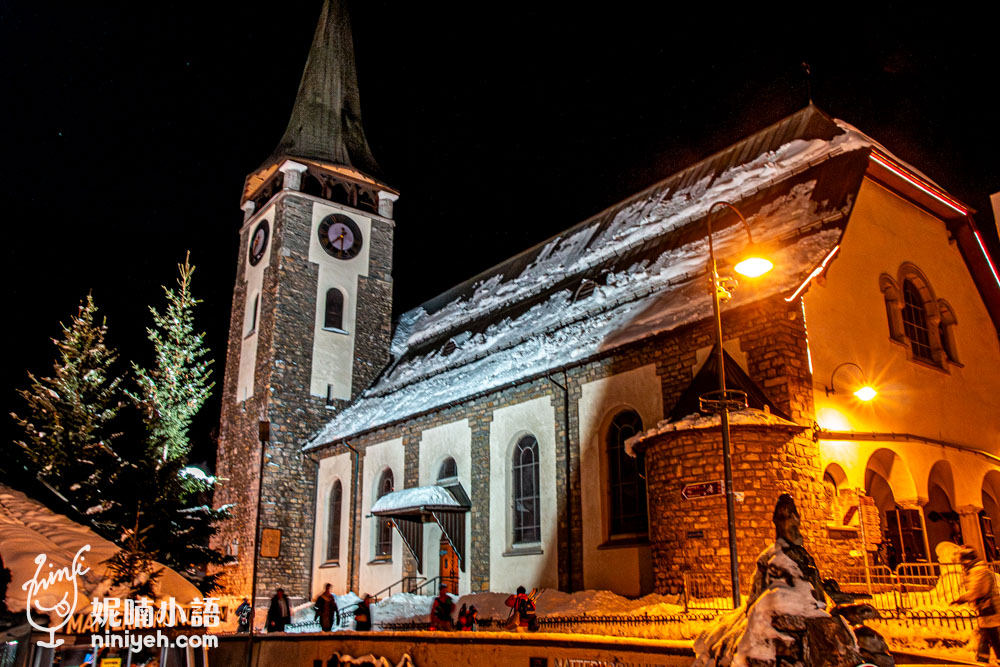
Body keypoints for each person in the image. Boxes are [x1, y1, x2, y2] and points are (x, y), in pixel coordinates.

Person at [951, 546, 1000, 663]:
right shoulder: (977, 570)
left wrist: (960, 599)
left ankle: (985, 659)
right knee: (986, 633)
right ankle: (982, 659)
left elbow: (975, 591)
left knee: (992, 634)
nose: (963, 566)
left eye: (963, 562)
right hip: (986, 608)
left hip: (989, 608)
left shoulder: (978, 571)